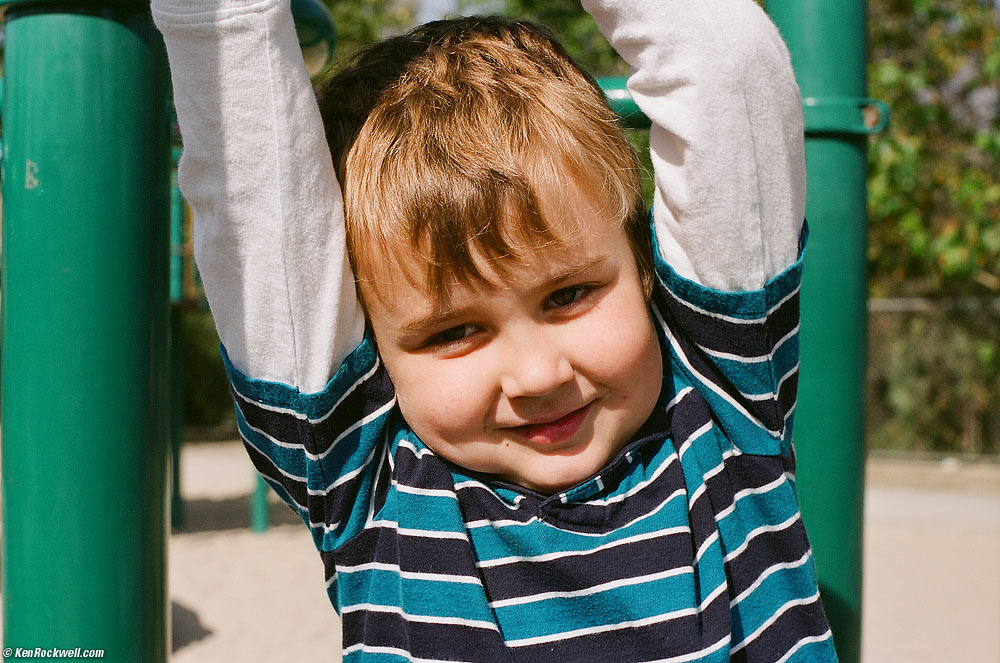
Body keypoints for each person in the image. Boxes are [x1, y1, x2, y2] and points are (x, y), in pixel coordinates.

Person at [152, 0, 837, 659]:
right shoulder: (370, 482)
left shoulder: (721, 402)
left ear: (642, 266)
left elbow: (727, 65)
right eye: (453, 333)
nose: (539, 375)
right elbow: (252, 165)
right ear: (373, 348)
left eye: (569, 294)